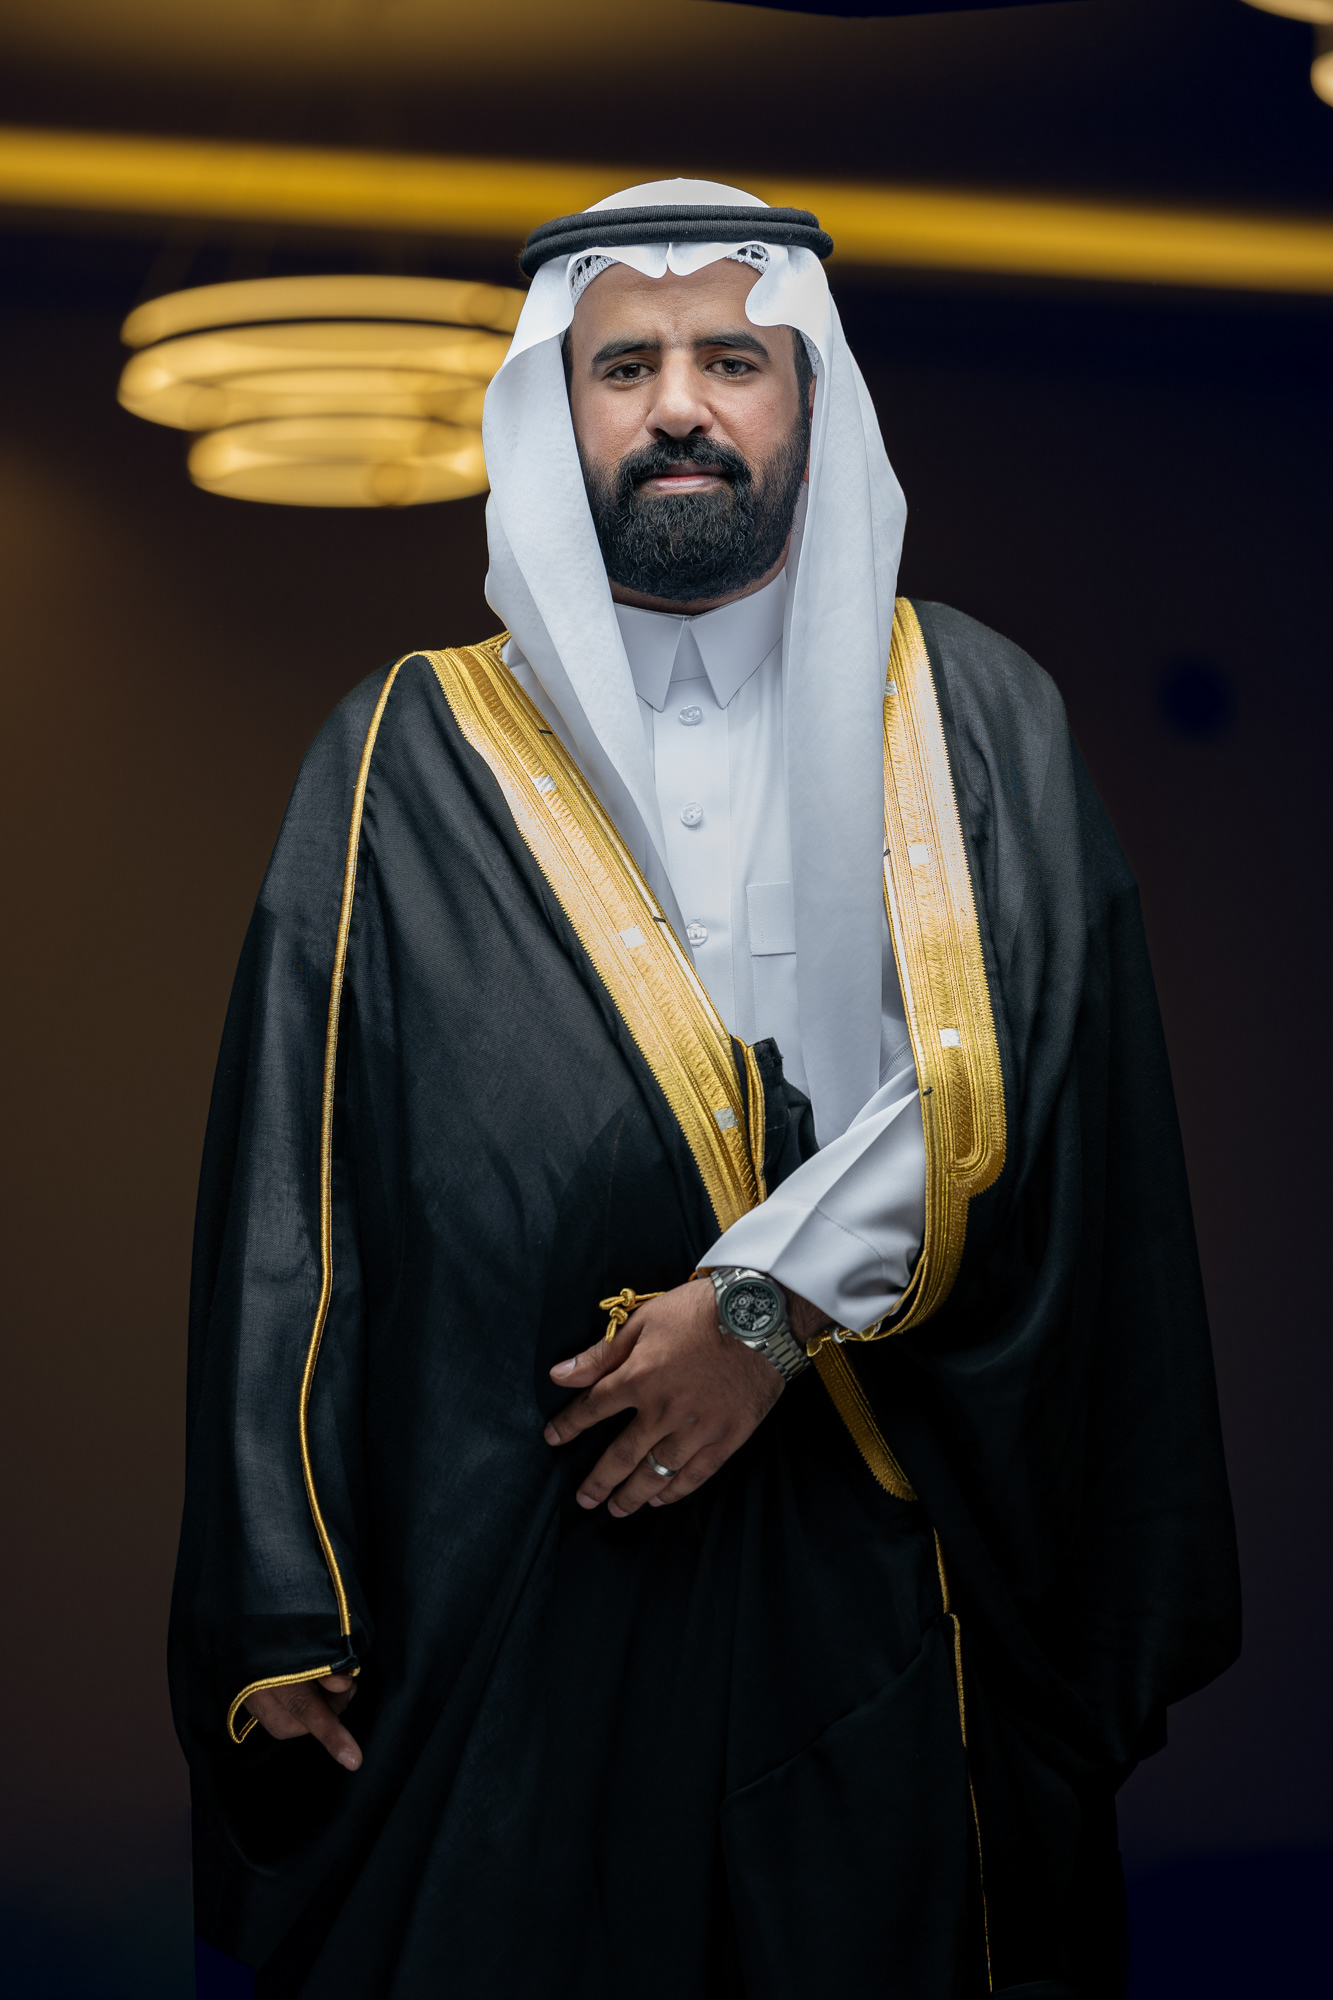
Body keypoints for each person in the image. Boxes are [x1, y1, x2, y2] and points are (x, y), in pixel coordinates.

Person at [171, 181, 1239, 2000]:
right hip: (513, 1540)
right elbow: (299, 1183)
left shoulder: (974, 712)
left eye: (732, 360)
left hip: (883, 1517)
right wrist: (288, 1589)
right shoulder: (406, 745)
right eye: (625, 367)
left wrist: (762, 1311)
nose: (679, 406)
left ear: (807, 396)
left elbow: (1023, 1072)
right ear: (556, 408)